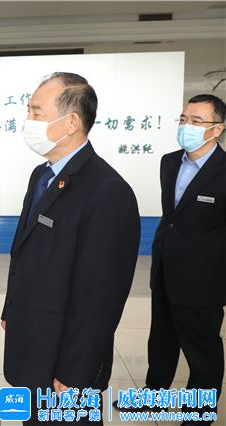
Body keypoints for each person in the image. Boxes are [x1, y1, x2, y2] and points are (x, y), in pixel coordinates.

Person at [0, 72, 141, 424]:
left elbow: (101, 296)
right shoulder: (42, 175)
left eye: (37, 112)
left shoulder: (107, 191)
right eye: (28, 111)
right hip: (34, 343)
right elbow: (25, 251)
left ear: (71, 123)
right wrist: (11, 308)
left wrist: (75, 372)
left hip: (66, 364)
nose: (28, 120)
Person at [113, 94, 226, 424]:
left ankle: (198, 416)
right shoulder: (169, 162)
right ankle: (152, 399)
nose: (186, 126)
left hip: (203, 280)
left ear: (217, 129)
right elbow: (172, 218)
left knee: (202, 353)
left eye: (196, 121)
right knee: (161, 343)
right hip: (165, 269)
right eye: (183, 119)